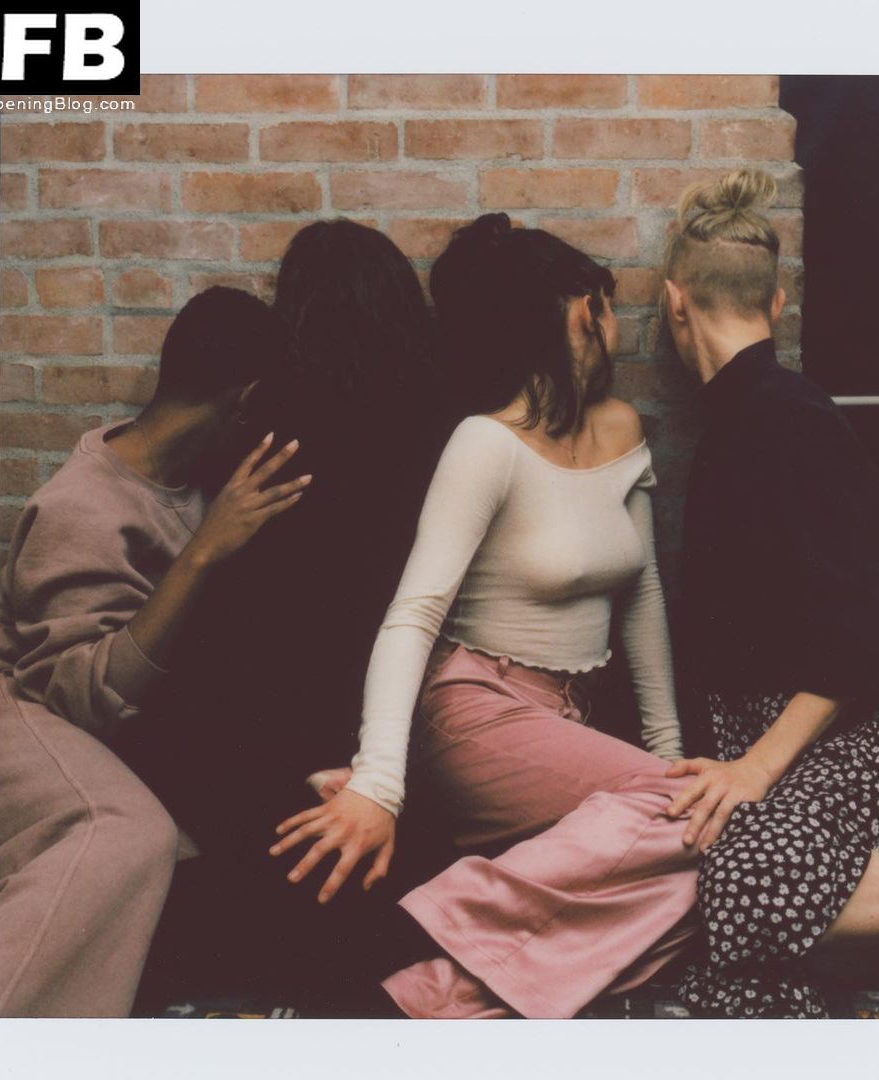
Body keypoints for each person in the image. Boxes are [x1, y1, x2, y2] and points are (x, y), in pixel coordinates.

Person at [272, 214, 700, 1019]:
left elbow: (643, 597)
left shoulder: (621, 429)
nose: (620, 325)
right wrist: (379, 783)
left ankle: (433, 994)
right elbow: (414, 614)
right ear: (583, 311)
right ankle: (445, 921)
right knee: (708, 826)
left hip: (566, 720)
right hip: (475, 711)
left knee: (700, 848)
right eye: (610, 306)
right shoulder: (485, 443)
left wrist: (668, 758)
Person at [125, 220, 453, 1008]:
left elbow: (253, 627)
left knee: (304, 871)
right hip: (355, 726)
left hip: (237, 726)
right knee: (369, 881)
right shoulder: (436, 433)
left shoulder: (263, 435)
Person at [657, 169, 879, 1017]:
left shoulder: (786, 417)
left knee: (745, 878)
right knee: (729, 971)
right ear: (776, 305)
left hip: (873, 729)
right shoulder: (747, 416)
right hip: (807, 735)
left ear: (673, 303)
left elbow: (864, 633)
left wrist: (756, 767)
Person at [0, 286, 306, 1016]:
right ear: (247, 399)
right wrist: (201, 555)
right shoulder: (79, 507)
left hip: (121, 726)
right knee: (130, 838)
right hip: (21, 709)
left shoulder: (194, 481)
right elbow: (75, 698)